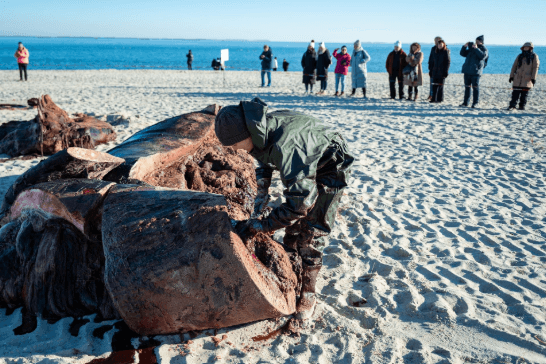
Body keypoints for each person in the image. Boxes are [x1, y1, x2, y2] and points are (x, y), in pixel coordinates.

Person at [214, 97, 354, 320]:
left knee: (312, 231)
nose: (235, 150)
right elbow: (262, 158)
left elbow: (300, 204)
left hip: (331, 161)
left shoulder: (285, 147)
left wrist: (261, 225)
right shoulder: (259, 127)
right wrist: (261, 192)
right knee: (292, 232)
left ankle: (309, 293)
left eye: (235, 145)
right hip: (307, 148)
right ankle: (291, 262)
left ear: (247, 135)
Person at [508, 42, 540, 111]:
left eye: (527, 47)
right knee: (515, 93)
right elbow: (514, 66)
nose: (526, 48)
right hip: (517, 78)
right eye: (525, 47)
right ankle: (512, 105)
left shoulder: (534, 56)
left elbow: (535, 68)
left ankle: (522, 106)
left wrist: (533, 78)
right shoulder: (520, 56)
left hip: (527, 79)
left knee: (524, 95)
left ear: (530, 48)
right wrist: (511, 76)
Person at [460, 35, 489, 108]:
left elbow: (482, 56)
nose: (477, 42)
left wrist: (476, 48)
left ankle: (475, 103)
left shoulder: (484, 49)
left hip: (476, 71)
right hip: (467, 71)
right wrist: (464, 46)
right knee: (467, 87)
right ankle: (465, 102)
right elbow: (462, 54)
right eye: (476, 41)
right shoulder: (471, 49)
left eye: (478, 41)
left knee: (475, 88)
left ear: (481, 42)